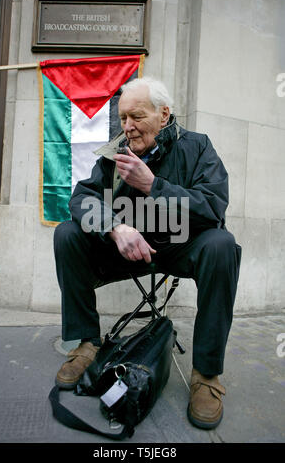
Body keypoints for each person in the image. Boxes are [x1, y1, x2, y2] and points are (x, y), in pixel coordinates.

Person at [53, 76, 241, 430]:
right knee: (67, 234)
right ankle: (87, 345)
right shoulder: (115, 152)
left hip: (179, 248)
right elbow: (80, 199)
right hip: (126, 250)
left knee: (222, 245)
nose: (128, 127)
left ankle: (207, 374)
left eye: (136, 117)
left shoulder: (198, 147)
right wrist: (115, 227)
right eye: (123, 118)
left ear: (164, 114)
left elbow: (213, 205)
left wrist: (154, 185)